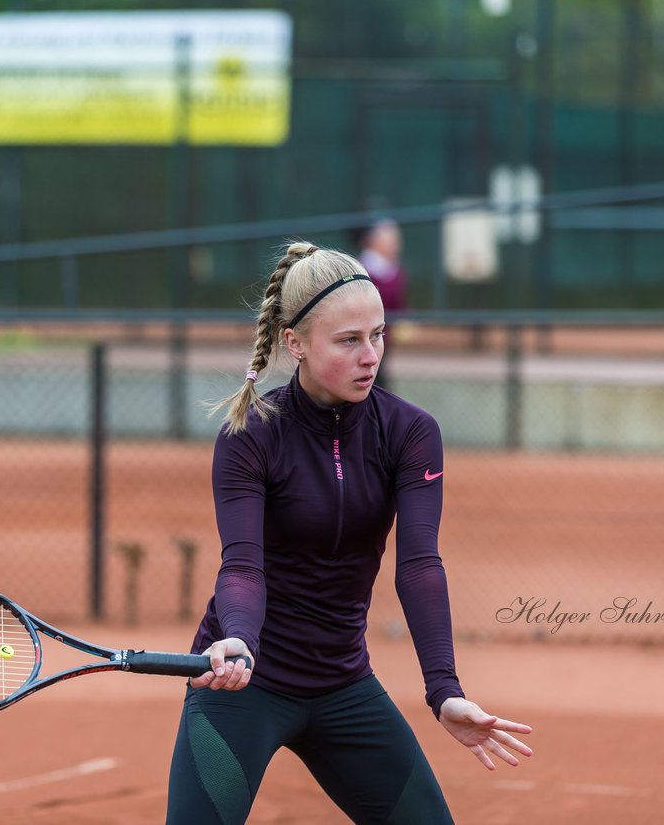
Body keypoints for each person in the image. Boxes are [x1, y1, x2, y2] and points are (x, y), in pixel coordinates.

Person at [165, 242, 532, 824]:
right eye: (348, 341)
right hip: (243, 684)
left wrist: (444, 689)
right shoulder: (252, 435)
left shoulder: (410, 433)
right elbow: (241, 566)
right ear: (296, 343)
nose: (371, 356)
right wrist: (238, 640)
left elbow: (419, 565)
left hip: (342, 685)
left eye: (379, 335)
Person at [355, 217, 407, 390]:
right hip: (363, 333)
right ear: (373, 240)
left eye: (395, 239)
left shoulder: (397, 271)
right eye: (388, 239)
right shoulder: (361, 268)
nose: (394, 244)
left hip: (384, 336)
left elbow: (399, 304)